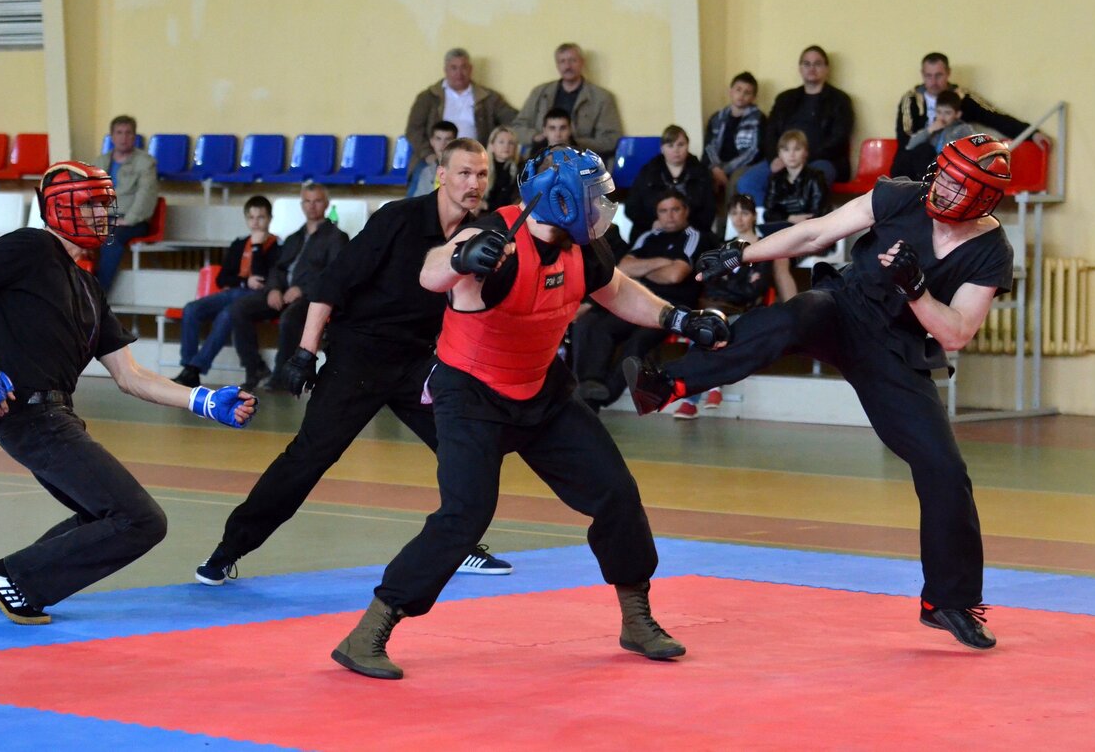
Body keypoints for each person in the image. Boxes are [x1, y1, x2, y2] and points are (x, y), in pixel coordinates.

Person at [330, 146, 730, 680]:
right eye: (595, 199)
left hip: (541, 390)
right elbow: (430, 274)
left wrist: (677, 316)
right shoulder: (493, 242)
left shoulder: (583, 245)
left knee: (615, 492)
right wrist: (457, 260)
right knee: (465, 515)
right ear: (562, 200)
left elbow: (613, 290)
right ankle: (369, 632)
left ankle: (636, 618)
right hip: (471, 395)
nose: (603, 209)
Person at [625, 134, 1015, 651]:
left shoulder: (991, 251)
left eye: (956, 183)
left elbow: (957, 332)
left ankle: (948, 600)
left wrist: (916, 291)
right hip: (844, 308)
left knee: (945, 470)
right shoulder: (901, 195)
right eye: (942, 173)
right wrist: (744, 253)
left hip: (896, 352)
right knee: (803, 311)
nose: (941, 186)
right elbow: (817, 233)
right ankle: (670, 383)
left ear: (982, 196)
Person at [0, 161, 256, 625]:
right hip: (29, 416)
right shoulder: (30, 246)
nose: (103, 214)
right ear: (59, 209)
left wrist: (201, 399)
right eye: (91, 205)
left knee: (101, 515)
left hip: (57, 417)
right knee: (142, 520)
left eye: (106, 204)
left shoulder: (88, 288)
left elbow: (130, 375)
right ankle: (12, 578)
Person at [194, 139, 514, 589]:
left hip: (419, 361)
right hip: (358, 356)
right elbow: (332, 283)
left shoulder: (478, 233)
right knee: (308, 458)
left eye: (481, 175)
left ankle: (458, 545)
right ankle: (227, 551)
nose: (474, 183)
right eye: (463, 173)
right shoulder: (397, 219)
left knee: (465, 447)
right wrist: (305, 352)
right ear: (441, 175)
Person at [574, 190, 707, 410]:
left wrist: (643, 269)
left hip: (670, 310)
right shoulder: (648, 236)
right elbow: (624, 269)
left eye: (675, 209)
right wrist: (663, 262)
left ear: (686, 211)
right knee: (596, 325)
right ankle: (591, 383)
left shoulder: (694, 236)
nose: (669, 216)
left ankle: (605, 394)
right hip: (638, 302)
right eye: (663, 211)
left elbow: (675, 275)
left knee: (638, 341)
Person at [228, 183, 348, 391]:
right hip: (282, 293)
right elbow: (277, 269)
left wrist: (302, 290)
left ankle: (281, 377)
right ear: (302, 205)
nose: (312, 206)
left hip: (312, 298)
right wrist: (273, 289)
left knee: (289, 319)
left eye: (317, 201)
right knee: (239, 308)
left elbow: (333, 274)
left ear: (326, 204)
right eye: (307, 201)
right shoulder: (294, 238)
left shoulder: (337, 237)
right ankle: (254, 368)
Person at [672, 194, 772, 420]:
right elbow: (711, 284)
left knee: (713, 330)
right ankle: (712, 390)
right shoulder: (722, 248)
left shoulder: (764, 249)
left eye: (744, 212)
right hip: (718, 307)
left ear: (754, 216)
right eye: (734, 213)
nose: (739, 218)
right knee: (704, 328)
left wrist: (727, 284)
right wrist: (735, 285)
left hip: (743, 310)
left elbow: (754, 291)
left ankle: (692, 400)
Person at [173, 196, 281, 388]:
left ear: (270, 219)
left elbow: (264, 279)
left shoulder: (277, 246)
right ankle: (188, 367)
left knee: (226, 315)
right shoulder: (239, 243)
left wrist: (257, 247)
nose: (255, 222)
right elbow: (222, 278)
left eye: (261, 217)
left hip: (255, 298)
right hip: (235, 291)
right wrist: (244, 281)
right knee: (191, 309)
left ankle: (195, 368)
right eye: (251, 217)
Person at [735, 46, 854, 202]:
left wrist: (802, 157)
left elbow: (839, 138)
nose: (811, 68)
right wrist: (774, 159)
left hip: (821, 160)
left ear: (826, 69)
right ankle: (768, 223)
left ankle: (800, 225)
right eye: (806, 63)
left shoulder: (840, 100)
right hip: (782, 158)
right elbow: (770, 133)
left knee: (812, 182)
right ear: (800, 68)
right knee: (747, 182)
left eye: (817, 64)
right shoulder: (785, 98)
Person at [894, 52, 1048, 152]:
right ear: (922, 74)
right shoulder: (911, 99)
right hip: (918, 157)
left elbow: (996, 118)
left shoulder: (964, 97)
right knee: (917, 153)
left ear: (948, 73)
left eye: (938, 75)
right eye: (928, 76)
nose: (933, 81)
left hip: (955, 158)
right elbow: (905, 139)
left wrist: (1031, 133)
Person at [404, 47, 518, 174]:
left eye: (463, 67)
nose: (459, 73)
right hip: (435, 158)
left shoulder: (489, 98)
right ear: (445, 70)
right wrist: (429, 155)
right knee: (422, 178)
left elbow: (515, 121)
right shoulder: (428, 97)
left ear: (470, 69)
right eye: (454, 68)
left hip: (477, 159)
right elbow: (413, 130)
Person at [513, 43, 623, 161]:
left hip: (583, 163)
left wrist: (573, 143)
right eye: (562, 61)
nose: (568, 66)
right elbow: (517, 128)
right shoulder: (540, 93)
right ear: (557, 65)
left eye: (572, 60)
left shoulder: (602, 98)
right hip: (541, 161)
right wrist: (537, 137)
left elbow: (612, 139)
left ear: (582, 62)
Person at [762, 129, 830, 302]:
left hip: (811, 236)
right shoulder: (775, 179)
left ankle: (792, 311)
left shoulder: (816, 177)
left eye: (796, 149)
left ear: (805, 152)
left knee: (779, 258)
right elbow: (769, 213)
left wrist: (788, 218)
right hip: (782, 232)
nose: (791, 154)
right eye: (786, 149)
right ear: (779, 154)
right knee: (758, 254)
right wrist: (790, 219)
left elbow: (817, 215)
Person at [93, 115, 159, 292]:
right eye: (119, 133)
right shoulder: (100, 162)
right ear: (112, 136)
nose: (123, 137)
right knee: (67, 235)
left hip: (131, 221)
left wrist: (129, 219)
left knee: (111, 238)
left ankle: (98, 294)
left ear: (134, 136)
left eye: (128, 133)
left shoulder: (145, 163)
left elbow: (146, 195)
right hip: (104, 219)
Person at [624, 124, 717, 243]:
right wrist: (652, 223)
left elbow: (709, 210)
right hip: (652, 231)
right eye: (670, 145)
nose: (676, 150)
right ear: (662, 148)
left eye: (680, 145)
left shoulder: (701, 173)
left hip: (691, 233)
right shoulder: (648, 172)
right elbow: (631, 207)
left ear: (687, 146)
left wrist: (685, 225)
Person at [703, 72, 766, 198]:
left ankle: (730, 217)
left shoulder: (759, 119)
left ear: (753, 97)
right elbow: (709, 147)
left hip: (744, 165)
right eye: (738, 90)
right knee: (703, 179)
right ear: (731, 91)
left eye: (747, 92)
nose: (741, 95)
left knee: (735, 181)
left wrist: (726, 170)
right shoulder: (716, 118)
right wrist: (716, 169)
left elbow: (755, 152)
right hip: (717, 165)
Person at [891, 89, 976, 181]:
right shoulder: (934, 128)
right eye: (939, 112)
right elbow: (910, 146)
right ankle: (899, 184)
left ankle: (920, 185)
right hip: (928, 168)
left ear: (958, 114)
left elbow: (957, 153)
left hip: (949, 169)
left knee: (925, 150)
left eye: (947, 113)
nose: (942, 117)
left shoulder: (963, 129)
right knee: (911, 154)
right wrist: (930, 130)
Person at [407, 121, 458, 198]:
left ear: (455, 142)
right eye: (438, 139)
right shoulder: (426, 172)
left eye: (448, 139)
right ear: (432, 141)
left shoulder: (465, 171)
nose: (442, 144)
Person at [481, 125, 521, 213]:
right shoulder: (480, 168)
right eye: (501, 142)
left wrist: (486, 205)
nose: (506, 146)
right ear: (492, 146)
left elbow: (510, 203)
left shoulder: (521, 170)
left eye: (510, 143)